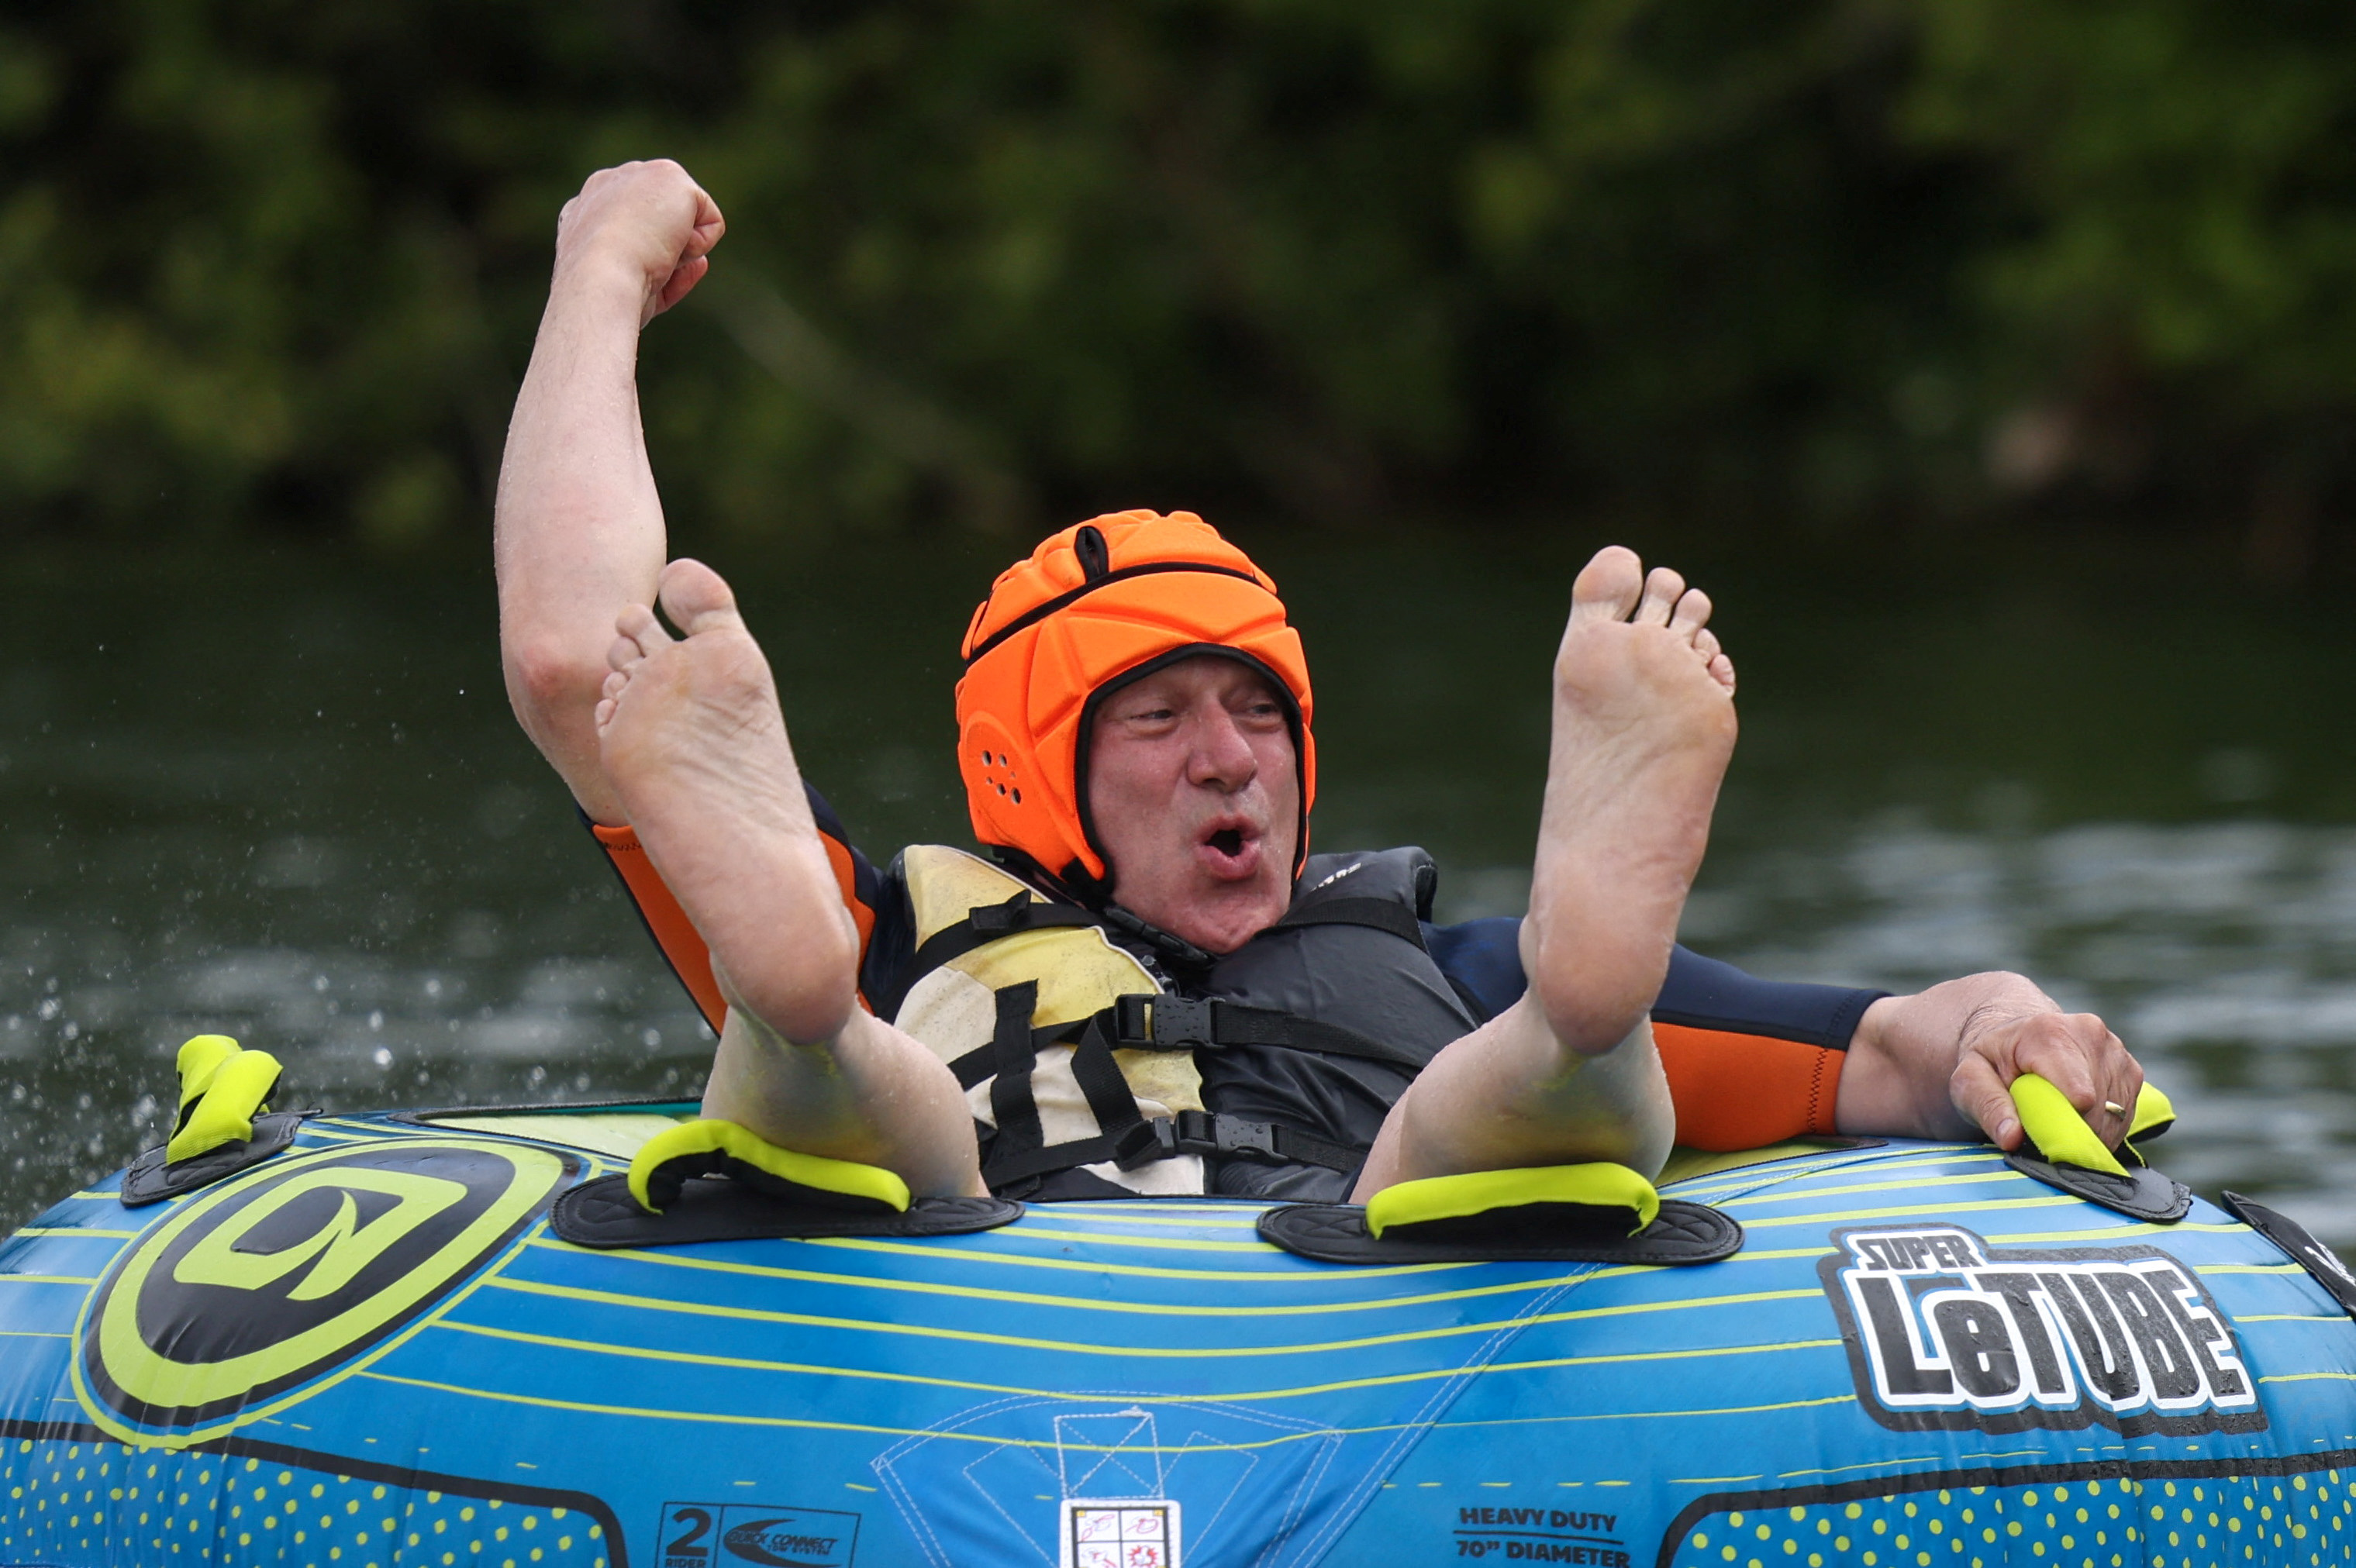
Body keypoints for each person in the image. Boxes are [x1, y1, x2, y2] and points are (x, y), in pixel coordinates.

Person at [495, 160, 2146, 1206]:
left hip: (1372, 1261)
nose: (1233, 761)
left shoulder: (1444, 961)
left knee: (1561, 1064)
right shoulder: (895, 915)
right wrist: (597, 273)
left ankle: (1576, 1041)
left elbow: (1884, 1049)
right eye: (1157, 719)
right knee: (855, 1078)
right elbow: (577, 661)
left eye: (1261, 714)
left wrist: (2003, 1022)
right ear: (1026, 774)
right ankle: (786, 1011)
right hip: (964, 1238)